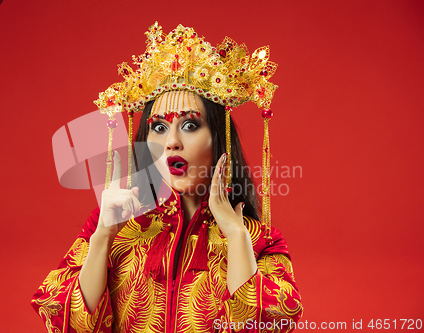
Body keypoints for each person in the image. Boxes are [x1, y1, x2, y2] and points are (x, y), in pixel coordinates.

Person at [32, 23, 302, 333]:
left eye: (189, 126)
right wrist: (102, 238)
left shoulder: (260, 240)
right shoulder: (113, 226)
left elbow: (268, 325)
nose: (171, 141)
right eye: (159, 128)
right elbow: (69, 323)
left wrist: (237, 237)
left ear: (219, 139)